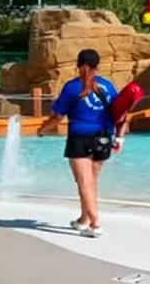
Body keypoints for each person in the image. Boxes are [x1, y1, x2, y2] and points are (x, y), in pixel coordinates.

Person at [37, 49, 128, 238]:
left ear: (78, 65)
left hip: (80, 137)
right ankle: (83, 220)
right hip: (104, 137)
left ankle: (95, 224)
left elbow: (57, 116)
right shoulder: (108, 87)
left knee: (84, 182)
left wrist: (43, 129)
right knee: (91, 181)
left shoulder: (72, 87)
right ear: (97, 66)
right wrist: (119, 137)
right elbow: (122, 113)